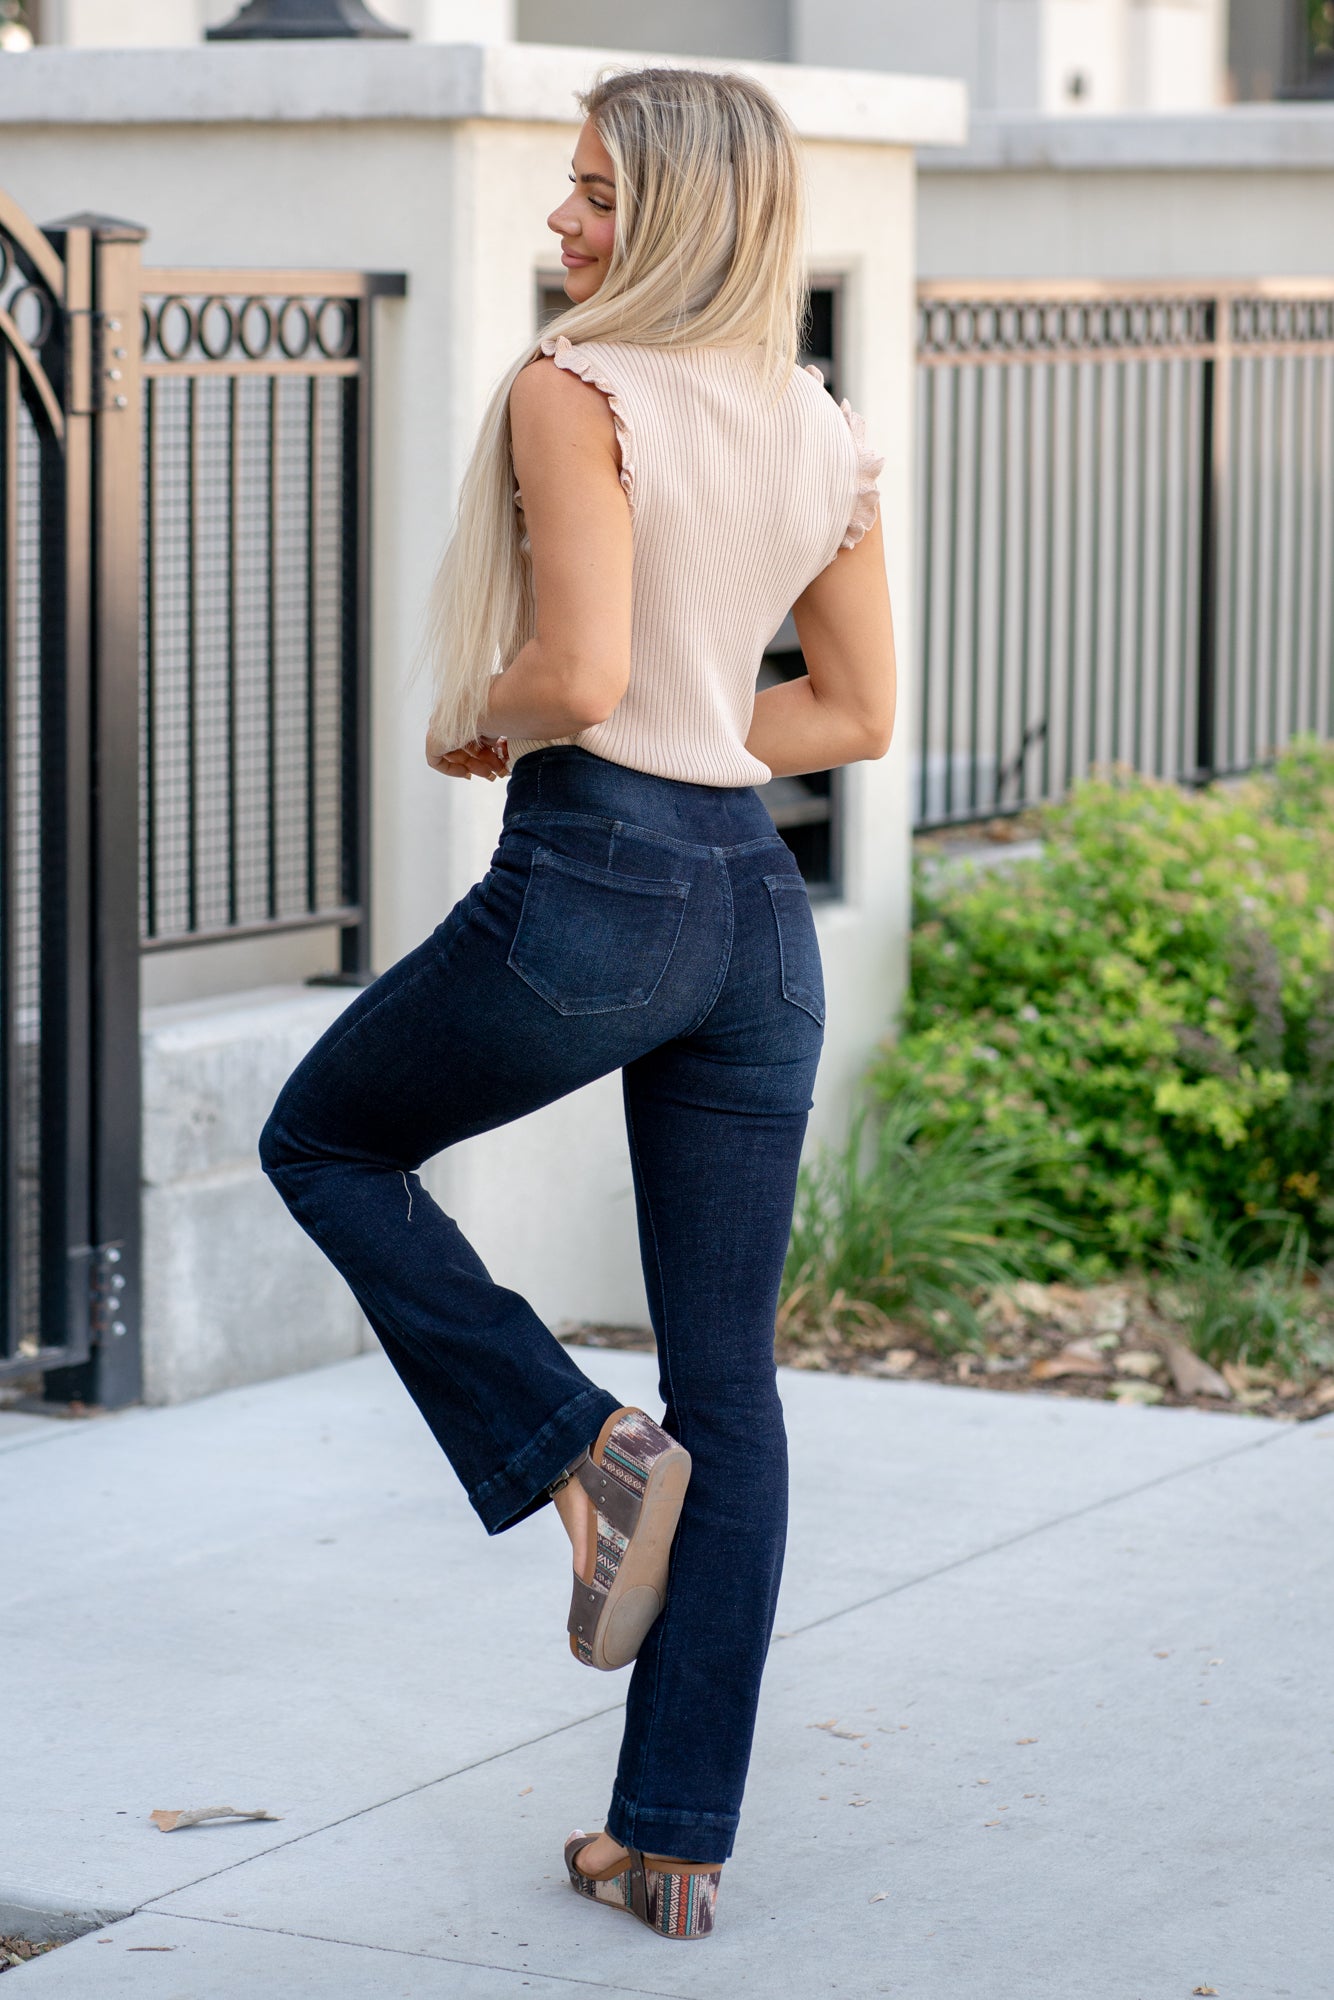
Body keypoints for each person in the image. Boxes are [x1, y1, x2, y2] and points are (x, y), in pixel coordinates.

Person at [259, 62, 895, 1943]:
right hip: (754, 912)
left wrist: (478, 721)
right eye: (569, 187)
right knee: (734, 1392)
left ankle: (567, 1442)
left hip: (605, 879)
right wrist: (698, 727)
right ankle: (672, 1840)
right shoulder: (820, 424)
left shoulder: (577, 386)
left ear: (688, 209)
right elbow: (854, 715)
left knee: (325, 1141)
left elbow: (577, 669)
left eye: (601, 193)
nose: (564, 222)